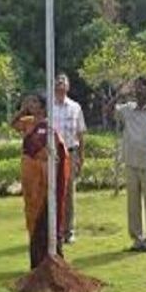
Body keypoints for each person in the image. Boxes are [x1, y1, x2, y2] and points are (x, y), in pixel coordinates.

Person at [11, 94, 71, 269]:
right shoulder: (28, 122)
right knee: (32, 216)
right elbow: (13, 124)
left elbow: (59, 154)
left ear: (43, 106)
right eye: (31, 101)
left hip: (45, 182)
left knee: (47, 216)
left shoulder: (50, 126)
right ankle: (36, 262)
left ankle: (52, 259)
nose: (31, 104)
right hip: (31, 182)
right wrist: (23, 110)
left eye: (35, 102)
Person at [106, 77, 146, 252]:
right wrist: (119, 95)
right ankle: (137, 239)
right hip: (131, 161)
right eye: (135, 89)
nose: (137, 92)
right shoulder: (128, 109)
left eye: (141, 88)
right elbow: (107, 111)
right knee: (133, 204)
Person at [53, 73, 87, 244]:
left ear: (68, 86)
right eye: (57, 82)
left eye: (63, 82)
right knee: (52, 192)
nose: (60, 85)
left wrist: (81, 156)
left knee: (69, 193)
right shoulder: (48, 108)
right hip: (52, 154)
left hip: (70, 153)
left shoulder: (75, 107)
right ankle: (55, 230)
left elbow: (81, 134)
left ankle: (69, 230)